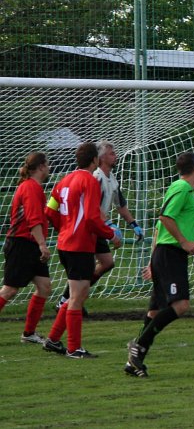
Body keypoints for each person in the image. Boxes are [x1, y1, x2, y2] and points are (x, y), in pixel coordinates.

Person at [125, 152, 194, 377]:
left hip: (164, 254)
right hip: (171, 254)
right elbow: (165, 218)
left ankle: (133, 362)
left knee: (154, 311)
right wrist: (184, 242)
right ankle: (138, 346)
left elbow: (160, 227)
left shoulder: (180, 188)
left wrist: (152, 260)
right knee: (181, 304)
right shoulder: (182, 188)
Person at [42, 142, 120, 359]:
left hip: (65, 244)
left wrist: (64, 228)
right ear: (95, 160)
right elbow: (92, 218)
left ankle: (53, 339)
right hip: (79, 245)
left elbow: (49, 210)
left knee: (78, 294)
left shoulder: (64, 180)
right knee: (77, 297)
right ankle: (73, 348)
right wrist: (111, 234)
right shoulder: (89, 181)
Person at [56, 141, 144, 311]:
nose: (115, 156)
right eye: (112, 153)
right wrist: (109, 225)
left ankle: (71, 299)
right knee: (93, 266)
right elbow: (92, 206)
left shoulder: (111, 178)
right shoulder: (95, 177)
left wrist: (133, 224)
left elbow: (121, 205)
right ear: (100, 158)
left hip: (98, 227)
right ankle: (68, 300)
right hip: (91, 227)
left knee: (107, 263)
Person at [0, 152, 53, 343]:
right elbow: (33, 220)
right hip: (21, 243)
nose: (49, 168)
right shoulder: (30, 187)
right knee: (9, 290)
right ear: (40, 167)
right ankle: (29, 333)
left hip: (30, 244)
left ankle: (29, 334)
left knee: (44, 286)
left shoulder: (34, 187)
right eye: (47, 164)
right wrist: (42, 244)